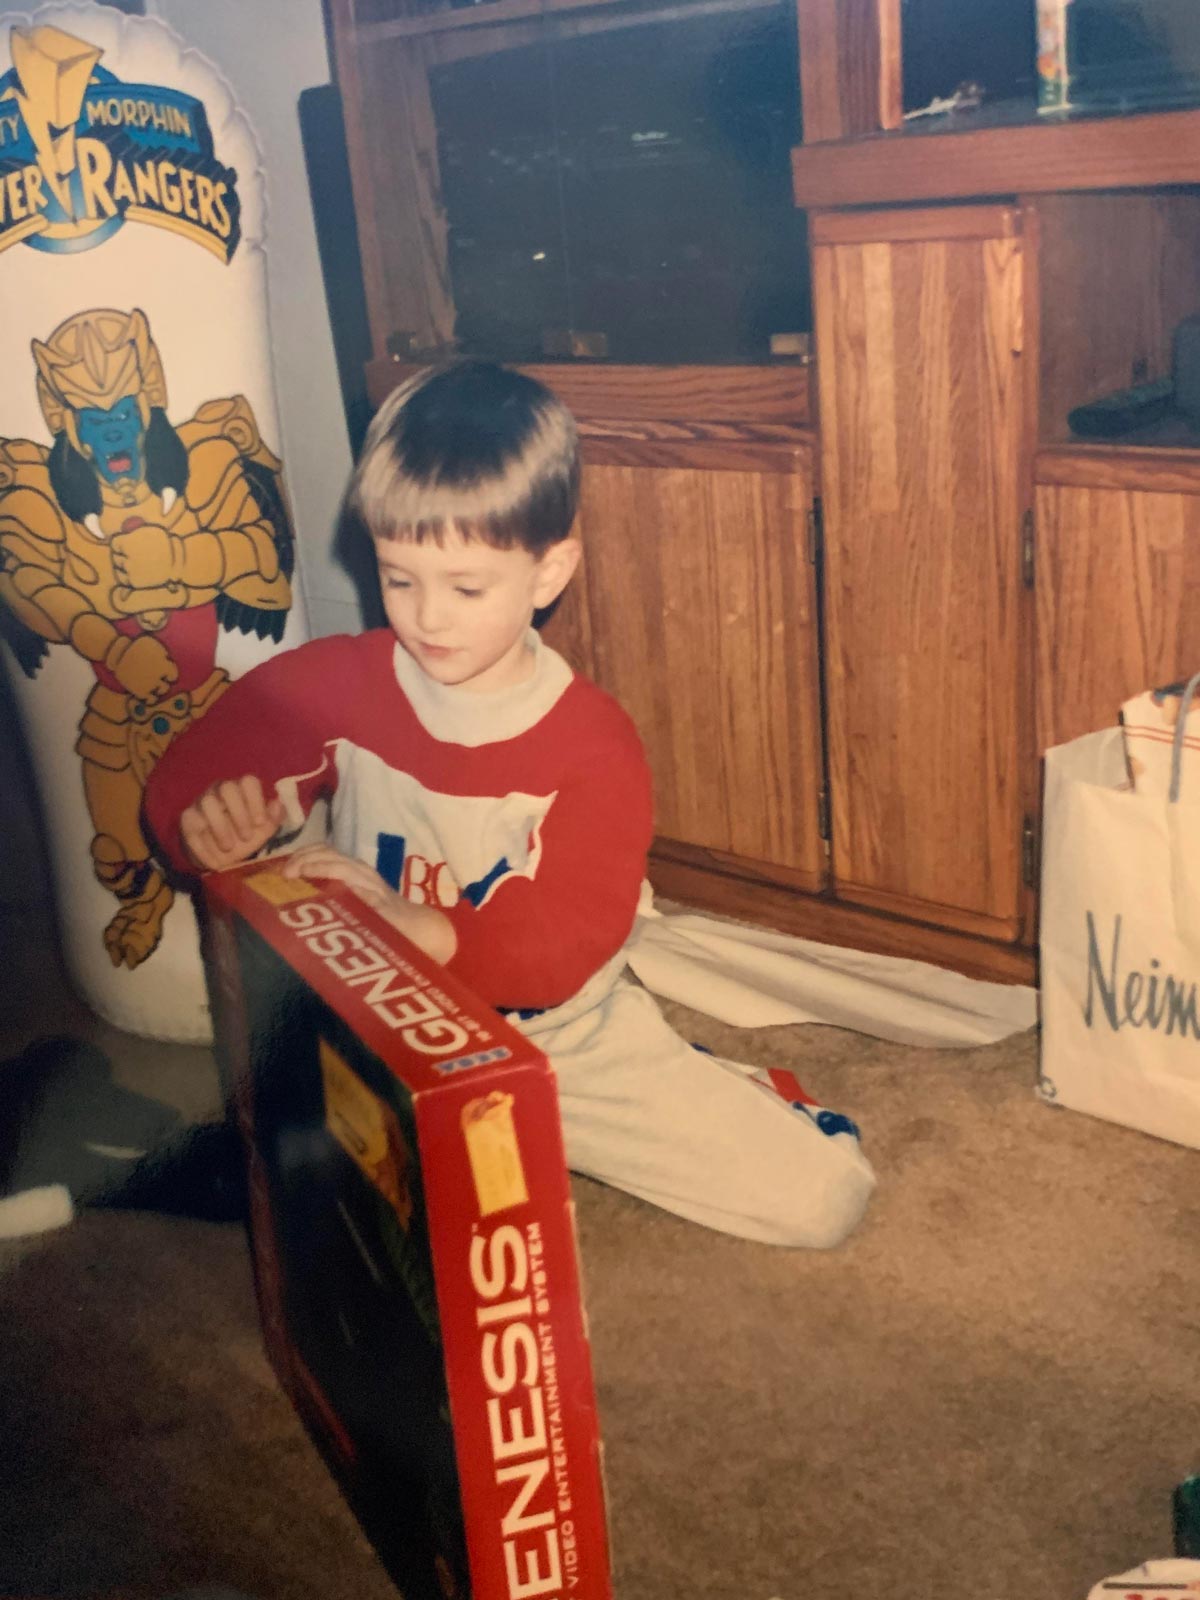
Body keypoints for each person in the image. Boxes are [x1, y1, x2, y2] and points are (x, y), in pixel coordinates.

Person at [144, 361, 874, 1248]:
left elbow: (565, 938)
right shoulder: (341, 682)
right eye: (397, 577)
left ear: (548, 570)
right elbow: (196, 768)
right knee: (317, 1215)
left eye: (465, 588)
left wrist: (427, 929)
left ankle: (742, 1093)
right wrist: (206, 823)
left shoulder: (593, 742)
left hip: (548, 1035)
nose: (425, 619)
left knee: (822, 1201)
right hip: (373, 1030)